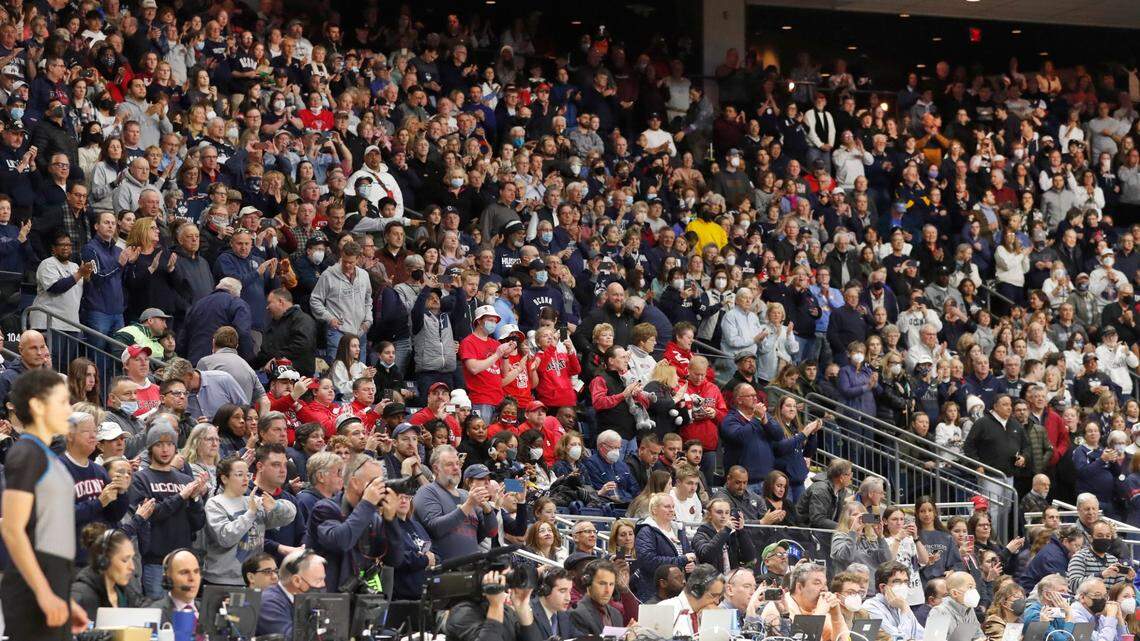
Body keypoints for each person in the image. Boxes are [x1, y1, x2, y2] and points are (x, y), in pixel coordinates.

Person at [0, 369, 92, 640]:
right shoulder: (26, 454)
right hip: (32, 593)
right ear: (38, 406)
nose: (69, 410)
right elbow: (12, 530)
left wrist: (64, 597)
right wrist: (43, 592)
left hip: (53, 586)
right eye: (62, 402)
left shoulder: (46, 454)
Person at [128, 418, 209, 599]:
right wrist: (181, 496)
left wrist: (195, 498)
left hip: (183, 560)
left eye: (169, 444)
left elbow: (197, 523)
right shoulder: (140, 479)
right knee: (157, 615)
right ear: (150, 448)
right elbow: (151, 515)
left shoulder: (185, 480)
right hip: (155, 562)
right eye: (159, 444)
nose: (165, 450)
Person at [203, 455, 296, 586]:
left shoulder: (251, 500)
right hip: (222, 580)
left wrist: (276, 506)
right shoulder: (215, 503)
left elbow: (289, 516)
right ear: (224, 478)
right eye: (240, 474)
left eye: (247, 474)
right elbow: (225, 537)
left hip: (253, 580)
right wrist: (251, 513)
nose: (246, 479)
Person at [305, 454, 391, 591]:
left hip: (362, 600)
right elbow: (342, 541)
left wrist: (392, 519)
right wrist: (367, 504)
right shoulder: (324, 509)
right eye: (374, 482)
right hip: (328, 599)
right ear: (355, 482)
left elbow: (395, 558)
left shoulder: (372, 516)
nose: (379, 488)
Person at [414, 446, 498, 560]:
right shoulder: (427, 492)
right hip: (444, 571)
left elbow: (491, 532)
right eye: (449, 464)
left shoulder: (465, 494)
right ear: (436, 468)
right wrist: (468, 505)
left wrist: (486, 508)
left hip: (472, 568)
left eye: (457, 464)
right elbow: (436, 528)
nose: (456, 468)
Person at [71, 526, 146, 620]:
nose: (132, 567)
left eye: (132, 558)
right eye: (125, 560)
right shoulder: (80, 595)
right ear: (104, 561)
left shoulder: (127, 594)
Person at [761, 562, 849, 641]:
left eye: (825, 584)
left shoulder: (821, 606)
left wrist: (836, 616)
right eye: (817, 583)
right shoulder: (779, 608)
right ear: (799, 587)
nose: (824, 589)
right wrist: (820, 614)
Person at [632, 493, 695, 601]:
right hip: (654, 592)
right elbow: (648, 561)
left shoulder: (679, 530)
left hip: (678, 591)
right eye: (667, 506)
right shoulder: (646, 531)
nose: (671, 510)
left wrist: (691, 565)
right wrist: (682, 560)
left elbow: (688, 555)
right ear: (654, 510)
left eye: (673, 506)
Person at [255, 548, 327, 639]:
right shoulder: (268, 602)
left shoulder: (305, 600)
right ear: (296, 581)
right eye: (318, 580)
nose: (323, 584)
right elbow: (291, 638)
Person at [658, 563, 726, 637]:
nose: (717, 602)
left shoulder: (708, 614)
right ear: (696, 591)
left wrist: (716, 621)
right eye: (713, 595)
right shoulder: (666, 610)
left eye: (719, 597)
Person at [862, 560, 924, 641]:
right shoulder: (870, 607)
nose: (903, 586)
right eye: (897, 582)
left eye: (905, 582)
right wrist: (904, 609)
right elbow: (899, 639)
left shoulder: (900, 604)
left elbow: (922, 635)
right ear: (882, 587)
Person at [691, 497, 757, 573]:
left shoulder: (731, 535)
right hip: (712, 581)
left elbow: (749, 557)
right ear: (709, 514)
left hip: (731, 580)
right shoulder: (701, 534)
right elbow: (706, 556)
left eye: (727, 512)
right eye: (719, 512)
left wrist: (741, 532)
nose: (723, 516)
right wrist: (726, 530)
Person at [147, 548, 202, 627]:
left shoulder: (210, 611)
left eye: (196, 571)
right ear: (168, 578)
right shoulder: (154, 614)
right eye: (184, 572)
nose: (192, 578)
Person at [569, 559, 625, 635]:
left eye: (611, 584)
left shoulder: (616, 614)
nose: (608, 590)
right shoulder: (577, 614)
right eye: (602, 583)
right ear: (588, 583)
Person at [925, 571, 984, 641]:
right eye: (970, 587)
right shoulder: (939, 612)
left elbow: (979, 635)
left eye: (975, 587)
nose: (974, 590)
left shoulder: (969, 608)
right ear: (955, 593)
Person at [531, 568, 574, 639]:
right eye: (562, 591)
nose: (568, 598)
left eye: (570, 591)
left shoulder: (565, 614)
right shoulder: (529, 614)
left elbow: (576, 635)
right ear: (546, 590)